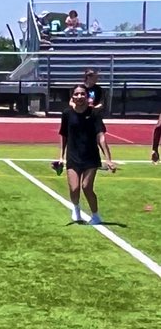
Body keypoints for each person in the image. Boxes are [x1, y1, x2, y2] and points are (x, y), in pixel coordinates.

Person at [58, 84, 115, 224]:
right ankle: (76, 209)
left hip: (90, 156)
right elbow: (63, 135)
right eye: (76, 94)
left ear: (87, 96)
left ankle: (95, 215)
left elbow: (101, 137)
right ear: (72, 96)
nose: (79, 97)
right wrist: (61, 156)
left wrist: (108, 159)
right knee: (74, 187)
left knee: (86, 187)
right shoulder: (67, 114)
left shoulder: (94, 114)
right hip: (73, 155)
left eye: (82, 94)